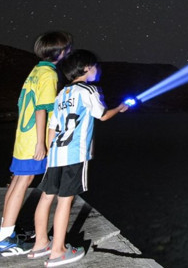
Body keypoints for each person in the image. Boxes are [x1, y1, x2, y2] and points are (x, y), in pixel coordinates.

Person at [29, 49, 128, 266]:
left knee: (46, 196)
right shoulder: (89, 90)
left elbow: (52, 128)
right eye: (96, 66)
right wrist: (119, 108)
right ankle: (58, 251)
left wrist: (50, 150)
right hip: (74, 154)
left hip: (56, 155)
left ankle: (40, 245)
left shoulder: (61, 94)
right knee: (65, 200)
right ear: (86, 69)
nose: (98, 70)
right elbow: (101, 116)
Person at [0, 31, 73, 258]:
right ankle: (4, 240)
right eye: (68, 48)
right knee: (23, 182)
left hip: (22, 135)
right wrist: (41, 144)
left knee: (17, 180)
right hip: (32, 138)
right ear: (62, 52)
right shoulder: (49, 75)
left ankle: (5, 231)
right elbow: (41, 110)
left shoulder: (35, 71)